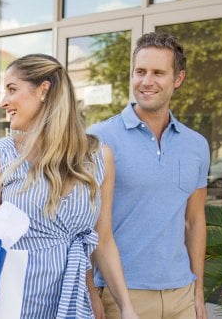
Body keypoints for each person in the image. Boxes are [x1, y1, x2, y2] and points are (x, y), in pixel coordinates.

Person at [0, 54, 139, 319]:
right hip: (14, 305)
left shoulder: (99, 157)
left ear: (43, 90)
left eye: (11, 89)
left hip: (76, 305)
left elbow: (103, 240)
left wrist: (126, 307)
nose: (3, 102)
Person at [88, 32, 210, 319]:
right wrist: (91, 292)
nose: (146, 81)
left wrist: (198, 291)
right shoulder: (98, 139)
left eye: (158, 73)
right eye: (140, 72)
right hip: (121, 296)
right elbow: (83, 225)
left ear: (178, 79)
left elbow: (195, 221)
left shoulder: (196, 145)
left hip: (182, 295)